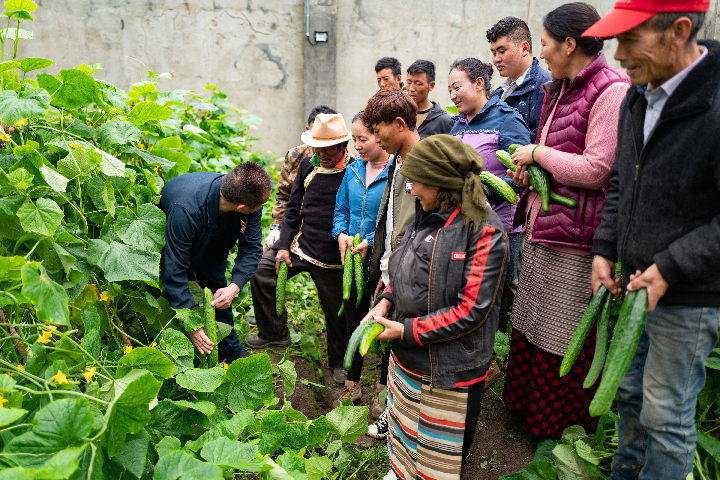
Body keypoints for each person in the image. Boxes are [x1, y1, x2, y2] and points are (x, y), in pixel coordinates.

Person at [585, 1, 720, 478]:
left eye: (629, 39)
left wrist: (671, 266)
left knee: (665, 416)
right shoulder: (638, 95)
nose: (617, 54)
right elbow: (623, 180)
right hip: (637, 283)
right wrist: (604, 248)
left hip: (688, 293)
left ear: (679, 30)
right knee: (631, 395)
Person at [501, 2, 630, 439]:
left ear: (570, 44)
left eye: (544, 44)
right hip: (548, 226)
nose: (542, 54)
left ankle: (559, 429)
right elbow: (560, 157)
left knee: (561, 332)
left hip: (577, 238)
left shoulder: (610, 89)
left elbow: (598, 168)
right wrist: (529, 171)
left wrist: (537, 154)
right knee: (533, 322)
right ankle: (527, 411)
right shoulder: (561, 86)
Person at [363, 134, 508, 480]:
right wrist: (386, 300)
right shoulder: (427, 212)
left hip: (449, 370)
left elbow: (471, 310)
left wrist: (407, 330)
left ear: (440, 183)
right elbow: (403, 269)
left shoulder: (485, 231)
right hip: (408, 361)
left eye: (416, 182)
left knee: (437, 458)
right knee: (404, 434)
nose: (411, 189)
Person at [246, 114, 354, 385]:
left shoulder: (355, 170)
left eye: (329, 148)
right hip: (303, 246)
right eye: (318, 147)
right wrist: (283, 246)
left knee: (337, 312)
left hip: (334, 256)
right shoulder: (307, 166)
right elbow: (293, 209)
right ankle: (274, 332)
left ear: (343, 146)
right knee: (262, 272)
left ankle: (340, 363)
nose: (323, 154)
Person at [448, 57, 531, 386]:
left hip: (501, 224)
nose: (453, 94)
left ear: (479, 83)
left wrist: (490, 196)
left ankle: (491, 360)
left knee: (494, 293)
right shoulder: (458, 124)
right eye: (450, 89)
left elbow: (523, 174)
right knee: (468, 289)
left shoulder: (506, 120)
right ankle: (472, 354)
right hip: (464, 225)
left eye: (458, 86)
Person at [159, 162, 273, 363]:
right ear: (241, 207)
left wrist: (234, 286)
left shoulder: (246, 199)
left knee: (219, 290)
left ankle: (230, 350)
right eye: (261, 204)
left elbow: (251, 248)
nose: (262, 207)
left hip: (215, 240)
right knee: (176, 289)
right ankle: (184, 348)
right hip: (176, 237)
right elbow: (174, 269)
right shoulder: (186, 209)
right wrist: (192, 324)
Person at [363, 87, 421, 434]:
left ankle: (403, 421)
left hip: (411, 271)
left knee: (407, 351)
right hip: (393, 268)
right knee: (396, 354)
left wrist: (396, 274)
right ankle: (397, 415)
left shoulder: (424, 161)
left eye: (378, 130)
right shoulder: (398, 160)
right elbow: (393, 219)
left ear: (399, 124)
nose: (375, 138)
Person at [331, 111, 391, 407]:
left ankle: (383, 388)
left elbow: (394, 220)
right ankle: (352, 384)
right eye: (353, 139)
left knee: (383, 323)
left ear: (380, 136)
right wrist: (341, 234)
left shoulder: (396, 171)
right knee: (353, 322)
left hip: (382, 262)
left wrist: (371, 240)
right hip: (352, 261)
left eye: (362, 139)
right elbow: (341, 209)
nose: (356, 145)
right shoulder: (353, 170)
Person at [265, 105, 337, 250]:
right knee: (264, 261)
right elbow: (284, 194)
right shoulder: (295, 156)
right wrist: (277, 227)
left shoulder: (346, 161)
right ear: (307, 130)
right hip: (294, 224)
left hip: (327, 231)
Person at [487, 16, 552, 143]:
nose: (496, 59)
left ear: (524, 48)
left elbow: (541, 142)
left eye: (502, 51)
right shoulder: (497, 94)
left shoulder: (546, 87)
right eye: (494, 53)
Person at [406, 60, 454, 138]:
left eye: (418, 84)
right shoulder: (401, 114)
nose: (411, 89)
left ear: (431, 86)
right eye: (409, 83)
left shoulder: (443, 121)